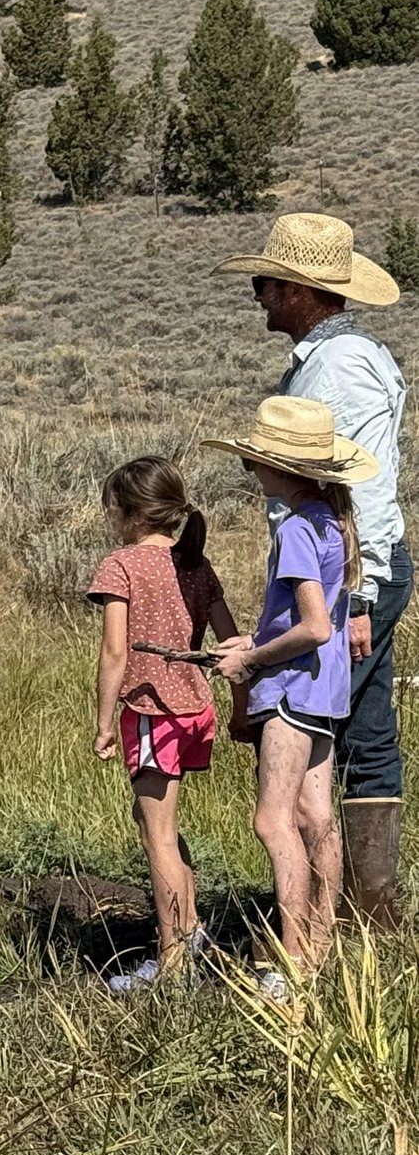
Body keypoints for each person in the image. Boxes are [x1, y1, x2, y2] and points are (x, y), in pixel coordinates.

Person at [217, 215, 407, 922]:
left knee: (320, 739)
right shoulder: (346, 356)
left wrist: (357, 595)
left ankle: (330, 924)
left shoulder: (336, 365)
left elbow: (368, 485)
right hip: (358, 573)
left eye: (266, 284)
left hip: (353, 578)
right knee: (362, 728)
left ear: (300, 290)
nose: (259, 296)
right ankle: (363, 916)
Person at [204, 397, 377, 987]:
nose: (253, 473)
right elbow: (315, 621)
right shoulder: (335, 522)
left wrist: (249, 659)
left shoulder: (299, 529)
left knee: (273, 821)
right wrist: (255, 639)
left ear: (283, 469)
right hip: (325, 691)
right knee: (315, 816)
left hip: (290, 688)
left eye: (256, 463)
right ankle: (319, 952)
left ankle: (291, 956)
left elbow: (313, 625)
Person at [88, 457, 238, 994]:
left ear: (129, 514)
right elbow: (229, 641)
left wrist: (104, 722)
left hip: (154, 713)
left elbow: (114, 652)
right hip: (197, 711)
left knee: (157, 836)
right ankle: (190, 926)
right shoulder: (195, 564)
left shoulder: (121, 565)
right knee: (158, 823)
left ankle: (172, 962)